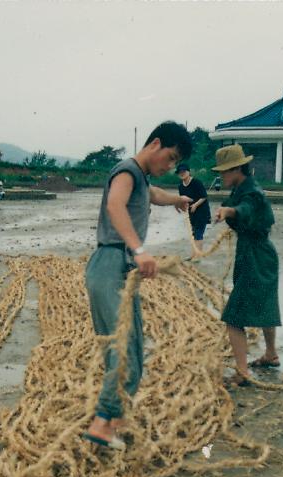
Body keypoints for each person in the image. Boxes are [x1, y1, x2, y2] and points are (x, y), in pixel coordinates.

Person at [82, 121, 193, 450]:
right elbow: (115, 205)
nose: (170, 166)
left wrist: (177, 199)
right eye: (170, 158)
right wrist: (139, 249)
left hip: (118, 267)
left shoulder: (141, 179)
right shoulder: (127, 171)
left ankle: (112, 421)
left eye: (175, 163)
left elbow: (153, 194)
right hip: (111, 264)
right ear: (155, 144)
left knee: (130, 348)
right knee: (124, 350)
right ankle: (102, 424)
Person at [211, 144, 281, 386]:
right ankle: (271, 354)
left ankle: (242, 372)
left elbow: (245, 208)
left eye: (223, 172)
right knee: (266, 303)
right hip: (259, 252)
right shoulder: (243, 187)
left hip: (255, 254)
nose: (221, 177)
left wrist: (229, 211)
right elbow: (236, 207)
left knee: (234, 316)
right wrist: (226, 211)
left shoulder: (251, 192)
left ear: (236, 168)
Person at [176, 163, 211, 253]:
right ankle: (194, 254)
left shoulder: (196, 182)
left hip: (201, 211)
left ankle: (198, 255)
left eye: (184, 171)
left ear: (189, 172)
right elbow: (183, 200)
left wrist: (195, 205)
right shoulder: (180, 186)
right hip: (191, 213)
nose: (182, 173)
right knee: (193, 233)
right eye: (180, 172)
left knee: (198, 233)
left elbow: (204, 196)